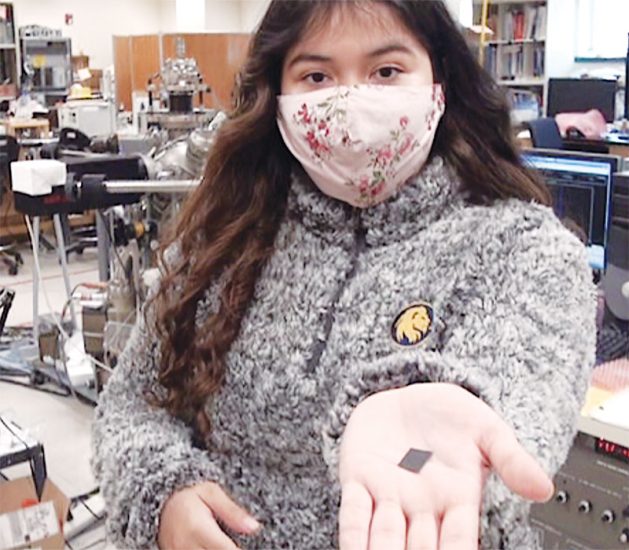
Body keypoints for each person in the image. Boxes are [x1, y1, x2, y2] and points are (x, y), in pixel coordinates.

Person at [92, 1, 597, 549]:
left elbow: (516, 410)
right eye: (316, 75)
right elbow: (131, 409)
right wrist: (161, 495)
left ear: (440, 80)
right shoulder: (225, 235)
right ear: (276, 95)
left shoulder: (526, 253)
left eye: (386, 71)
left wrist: (444, 448)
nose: (351, 104)